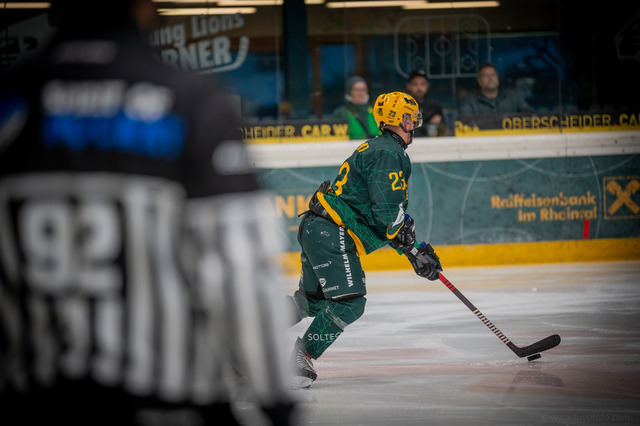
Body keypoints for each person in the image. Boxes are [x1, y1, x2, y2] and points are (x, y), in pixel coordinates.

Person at [0, 0, 297, 425]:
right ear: (145, 7)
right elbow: (239, 269)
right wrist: (275, 398)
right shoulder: (188, 98)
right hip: (167, 401)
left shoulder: (11, 98)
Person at [285, 92, 443, 388]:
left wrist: (414, 252)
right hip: (332, 231)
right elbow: (387, 213)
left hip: (318, 227)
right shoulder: (389, 153)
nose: (414, 124)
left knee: (312, 303)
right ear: (399, 120)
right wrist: (411, 247)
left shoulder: (379, 148)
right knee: (350, 303)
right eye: (410, 118)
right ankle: (301, 356)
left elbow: (379, 216)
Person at [459, 63, 535, 115]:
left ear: (497, 77)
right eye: (486, 76)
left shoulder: (513, 96)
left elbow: (531, 115)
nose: (490, 78)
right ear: (479, 81)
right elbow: (465, 122)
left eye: (493, 75)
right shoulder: (470, 101)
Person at [332, 76, 380, 140]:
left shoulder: (376, 111)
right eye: (357, 90)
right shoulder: (341, 112)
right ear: (349, 91)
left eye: (363, 89)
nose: (360, 93)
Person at [405, 69, 446, 137]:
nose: (419, 88)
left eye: (423, 84)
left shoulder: (435, 105)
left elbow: (444, 128)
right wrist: (429, 125)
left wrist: (438, 124)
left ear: (427, 85)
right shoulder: (404, 104)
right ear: (408, 86)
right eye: (415, 84)